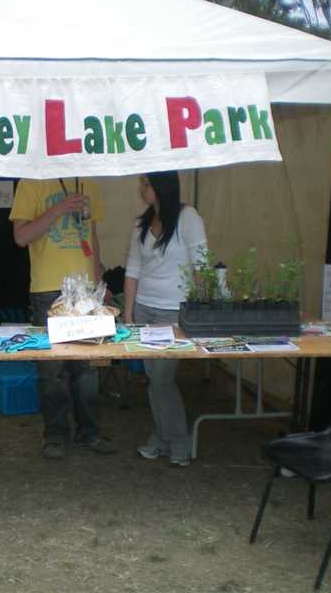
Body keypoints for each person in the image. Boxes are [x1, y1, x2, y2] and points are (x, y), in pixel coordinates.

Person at [10, 178, 117, 460]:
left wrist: (98, 282)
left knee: (87, 368)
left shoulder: (87, 180)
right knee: (52, 370)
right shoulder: (30, 181)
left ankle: (89, 433)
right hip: (47, 289)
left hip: (84, 290)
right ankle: (55, 435)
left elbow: (92, 236)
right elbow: (21, 237)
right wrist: (58, 209)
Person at [122, 171, 207, 467]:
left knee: (162, 379)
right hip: (145, 309)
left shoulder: (188, 217)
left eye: (145, 184)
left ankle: (177, 440)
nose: (141, 189)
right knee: (154, 379)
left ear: (160, 187)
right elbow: (132, 270)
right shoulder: (141, 222)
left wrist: (200, 308)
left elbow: (202, 266)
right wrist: (128, 312)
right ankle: (162, 438)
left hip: (174, 311)